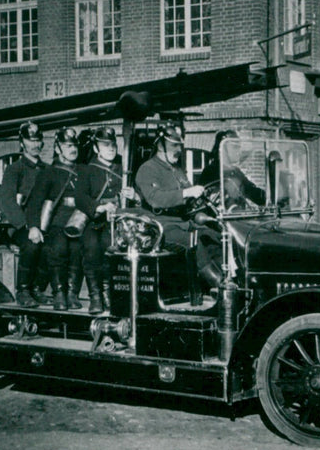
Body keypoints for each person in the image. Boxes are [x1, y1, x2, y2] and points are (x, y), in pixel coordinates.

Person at [134, 122, 223, 289]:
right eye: (174, 146)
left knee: (216, 237)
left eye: (179, 146)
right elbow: (156, 199)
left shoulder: (177, 170)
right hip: (161, 227)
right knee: (195, 243)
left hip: (184, 223)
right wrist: (186, 193)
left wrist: (207, 199)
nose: (178, 150)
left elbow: (190, 200)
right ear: (160, 145)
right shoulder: (147, 169)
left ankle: (229, 281)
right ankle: (219, 287)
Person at [75, 127, 139, 313]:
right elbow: (80, 197)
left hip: (119, 221)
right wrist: (98, 207)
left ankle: (109, 294)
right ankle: (95, 296)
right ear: (96, 148)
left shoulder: (123, 169)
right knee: (92, 248)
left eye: (113, 144)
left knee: (111, 249)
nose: (111, 148)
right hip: (95, 221)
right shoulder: (87, 170)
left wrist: (134, 195)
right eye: (105, 145)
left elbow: (138, 195)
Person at [28, 127, 84, 310]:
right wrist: (34, 227)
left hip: (79, 221)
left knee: (77, 250)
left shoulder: (83, 171)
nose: (73, 149)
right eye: (68, 146)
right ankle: (59, 293)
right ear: (58, 148)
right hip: (57, 222)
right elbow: (35, 202)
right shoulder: (49, 172)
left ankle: (72, 293)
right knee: (58, 248)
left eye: (74, 145)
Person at [0, 121, 48, 307]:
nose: (35, 144)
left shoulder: (46, 169)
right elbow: (6, 201)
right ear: (22, 143)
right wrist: (26, 226)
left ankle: (38, 289)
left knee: (53, 246)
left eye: (38, 140)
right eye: (30, 140)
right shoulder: (14, 169)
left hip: (43, 224)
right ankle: (23, 290)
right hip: (18, 226)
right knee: (32, 245)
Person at [199, 130, 266, 208]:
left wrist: (271, 198)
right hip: (220, 218)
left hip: (236, 216)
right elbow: (203, 200)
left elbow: (252, 191)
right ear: (223, 148)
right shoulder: (210, 171)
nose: (239, 151)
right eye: (235, 147)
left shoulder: (236, 172)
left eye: (239, 147)